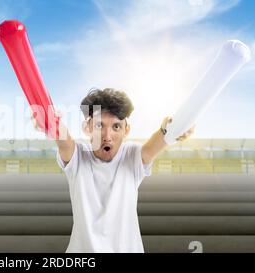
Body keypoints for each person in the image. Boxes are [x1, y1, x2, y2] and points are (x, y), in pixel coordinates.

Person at [33, 88, 194, 253]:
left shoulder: (132, 156)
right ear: (87, 127)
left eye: (116, 126)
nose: (107, 136)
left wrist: (173, 128)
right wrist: (51, 124)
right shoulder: (78, 157)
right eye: (98, 125)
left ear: (126, 130)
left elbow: (157, 142)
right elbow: (64, 141)